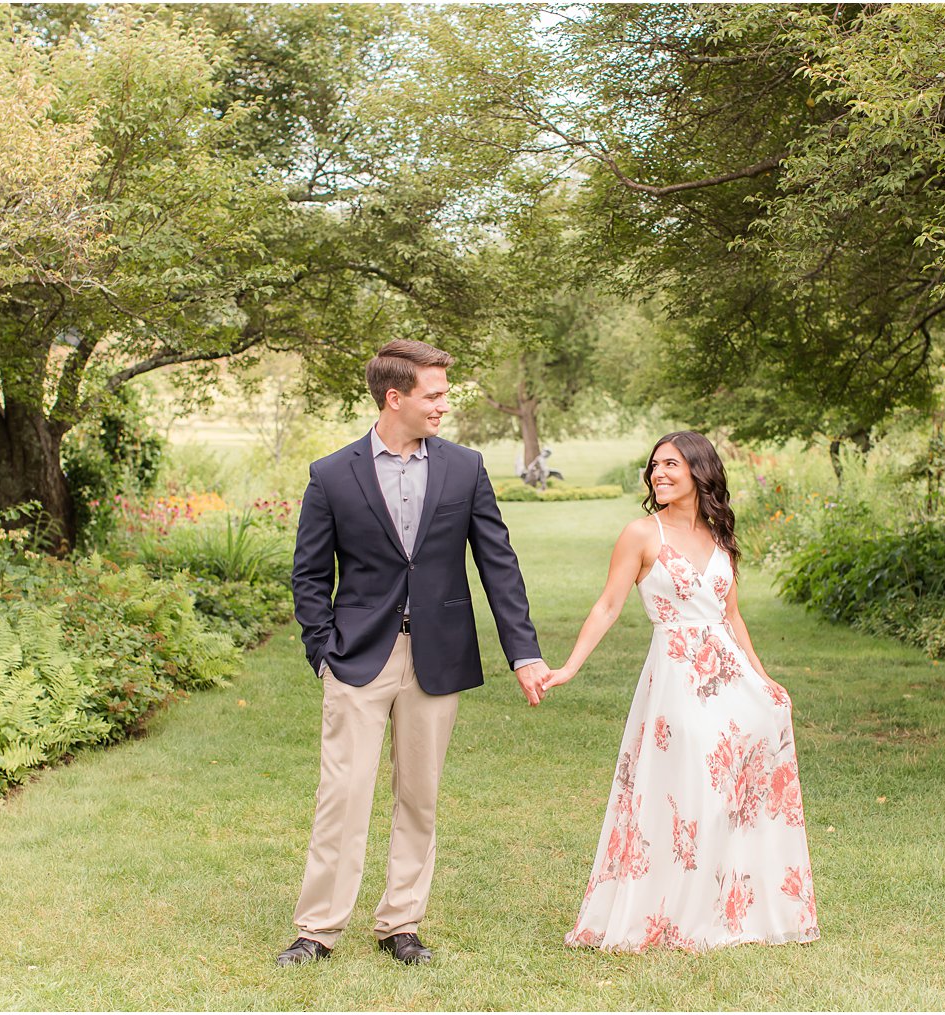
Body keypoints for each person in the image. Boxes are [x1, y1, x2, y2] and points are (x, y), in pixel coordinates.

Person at [280, 339, 550, 968]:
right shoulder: (331, 473)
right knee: (342, 795)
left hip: (438, 656)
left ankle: (400, 922)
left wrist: (524, 654)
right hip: (356, 657)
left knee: (419, 794)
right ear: (394, 397)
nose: (443, 405)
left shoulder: (464, 467)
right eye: (434, 394)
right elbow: (310, 576)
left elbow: (498, 566)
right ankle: (317, 930)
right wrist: (322, 650)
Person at [541, 430, 820, 952]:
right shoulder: (642, 535)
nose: (659, 474)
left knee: (732, 794)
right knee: (693, 789)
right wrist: (570, 667)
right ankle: (673, 911)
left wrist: (763, 679)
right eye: (654, 466)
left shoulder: (719, 538)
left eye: (671, 465)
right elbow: (607, 606)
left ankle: (728, 907)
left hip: (729, 674)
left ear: (699, 470)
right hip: (674, 677)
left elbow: (732, 617)